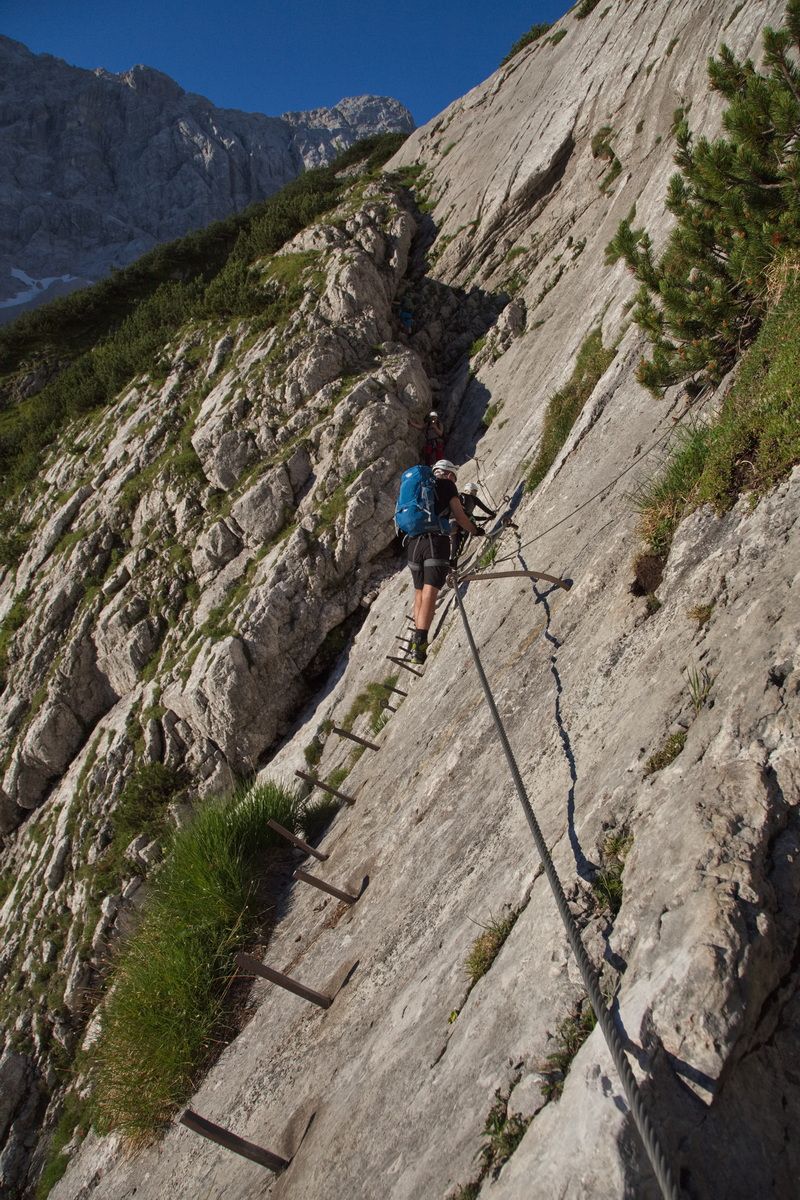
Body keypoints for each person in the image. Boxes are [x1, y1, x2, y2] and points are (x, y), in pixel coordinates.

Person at [405, 460, 485, 664]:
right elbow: (459, 516)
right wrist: (475, 530)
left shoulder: (420, 489)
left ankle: (416, 639)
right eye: (454, 477)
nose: (454, 481)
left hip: (413, 544)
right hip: (435, 542)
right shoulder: (447, 485)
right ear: (449, 474)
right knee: (431, 591)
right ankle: (420, 645)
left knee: (419, 592)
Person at [450, 482, 496, 562]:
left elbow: (471, 517)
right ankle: (453, 564)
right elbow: (484, 509)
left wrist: (485, 518)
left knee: (455, 542)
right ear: (472, 490)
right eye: (475, 491)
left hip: (452, 522)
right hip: (465, 524)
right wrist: (493, 514)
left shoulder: (458, 496)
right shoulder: (473, 499)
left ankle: (450, 563)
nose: (476, 493)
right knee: (460, 545)